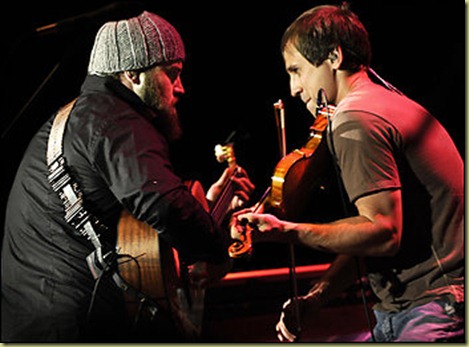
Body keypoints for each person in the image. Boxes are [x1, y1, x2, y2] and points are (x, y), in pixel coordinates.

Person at [1, 11, 255, 342]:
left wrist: (207, 204)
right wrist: (215, 251)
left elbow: (138, 230)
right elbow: (163, 205)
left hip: (34, 317)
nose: (181, 87)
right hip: (72, 323)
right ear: (132, 73)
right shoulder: (114, 119)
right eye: (171, 73)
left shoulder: (84, 115)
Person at [231, 3, 464, 343]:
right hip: (427, 303)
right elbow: (372, 238)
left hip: (433, 307)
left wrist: (289, 231)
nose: (294, 88)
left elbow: (383, 233)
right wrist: (317, 297)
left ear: (334, 58)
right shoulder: (386, 100)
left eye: (297, 70)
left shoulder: (355, 118)